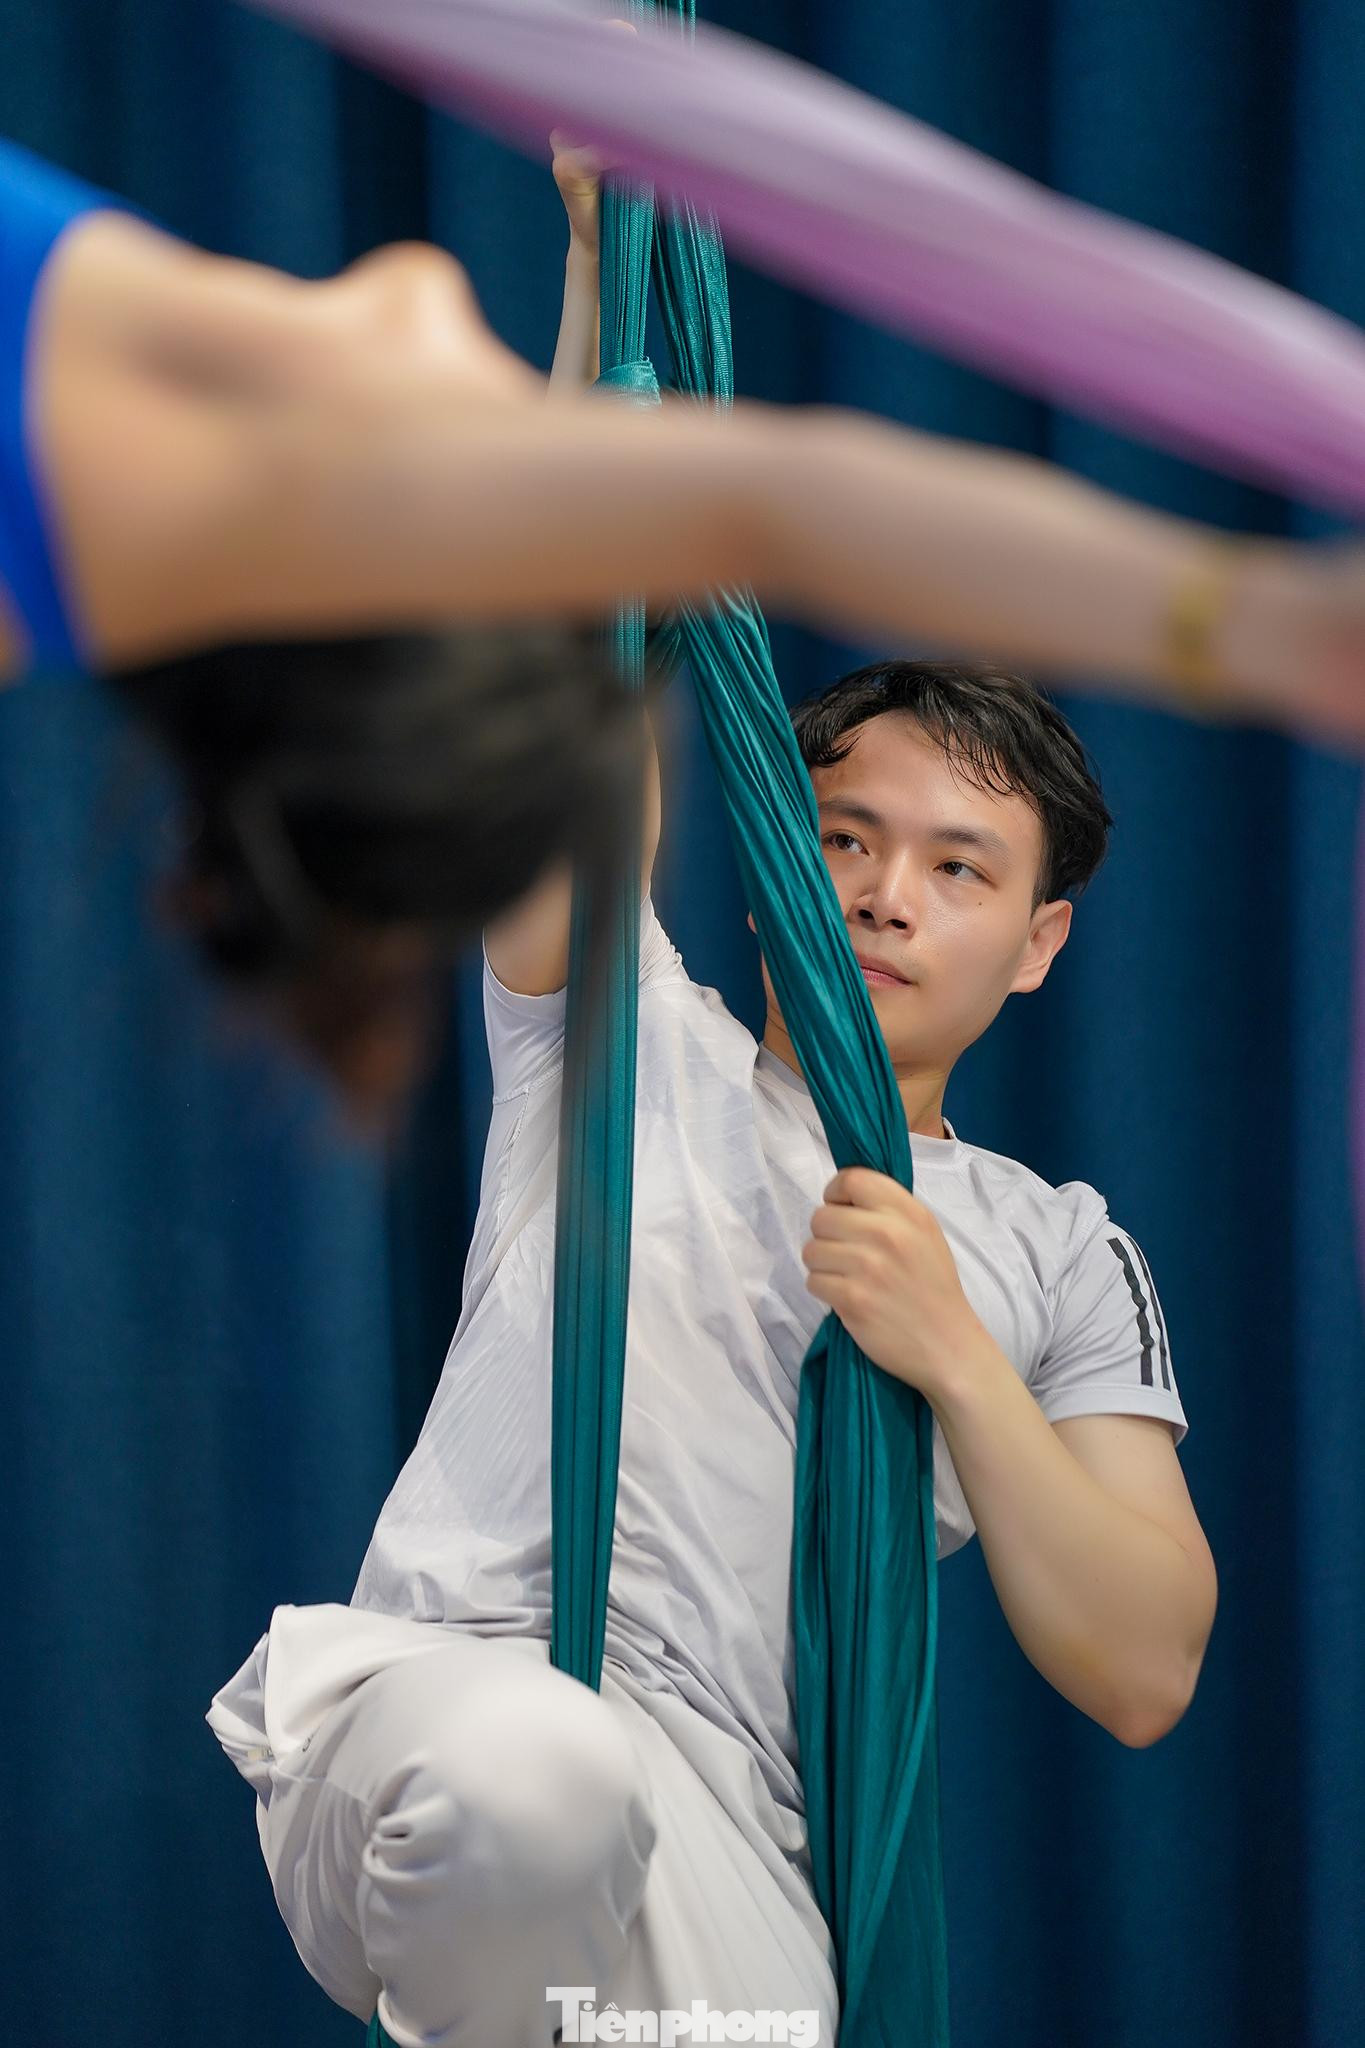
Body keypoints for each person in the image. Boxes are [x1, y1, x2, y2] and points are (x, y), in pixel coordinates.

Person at [204, 152, 1217, 2048]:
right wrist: (608, 266)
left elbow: (1144, 1662)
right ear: (766, 859)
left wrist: (957, 1362)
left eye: (956, 866)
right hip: (455, 1706)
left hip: (723, 1838)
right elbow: (558, 667)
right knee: (534, 1781)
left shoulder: (1054, 1253)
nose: (886, 893)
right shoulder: (618, 1031)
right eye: (841, 836)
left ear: (1040, 944)